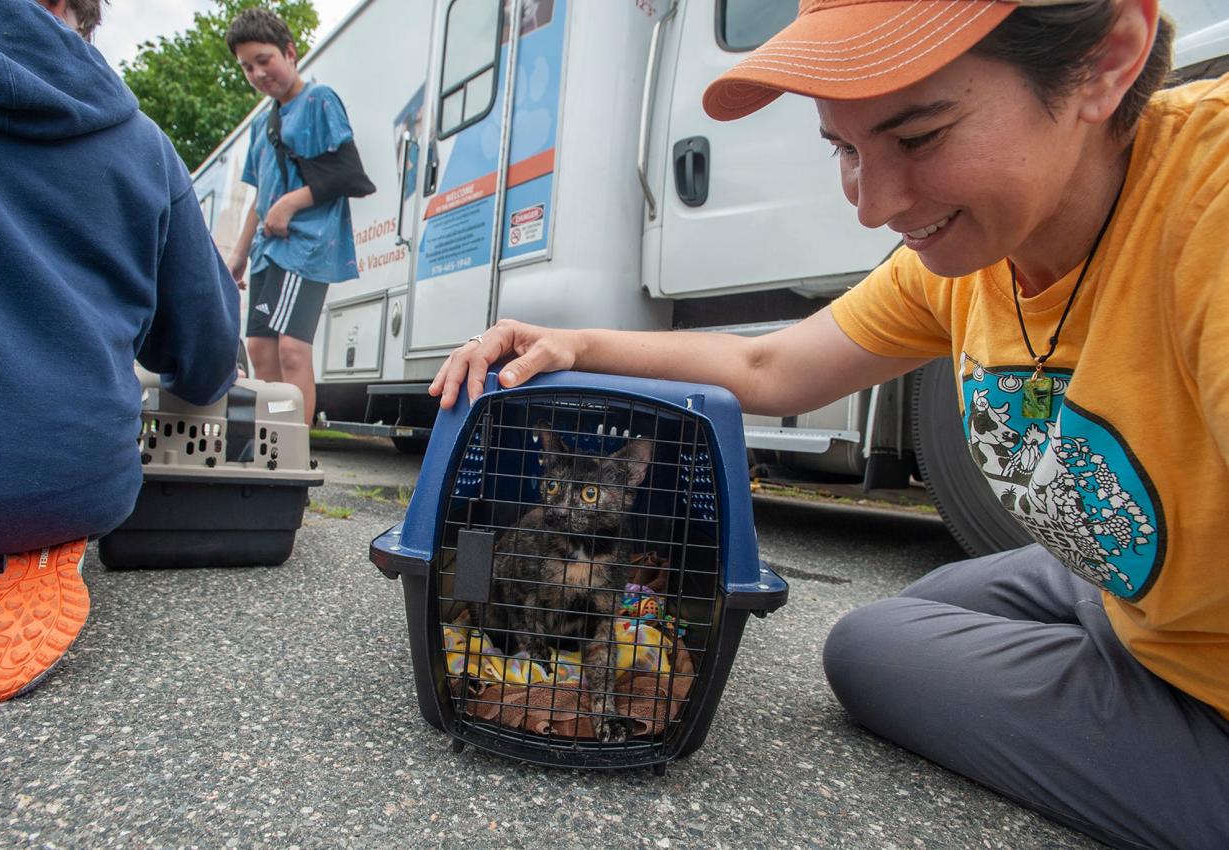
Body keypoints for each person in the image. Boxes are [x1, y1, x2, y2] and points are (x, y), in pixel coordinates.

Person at [429, 0, 1229, 846]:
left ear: (1106, 62)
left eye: (919, 136)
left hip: (1203, 694)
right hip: (1138, 583)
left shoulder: (1205, 205)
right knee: (918, 611)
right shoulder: (968, 264)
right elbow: (769, 368)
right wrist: (571, 340)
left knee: (870, 653)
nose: (874, 205)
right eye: (844, 148)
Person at [0, 0, 240, 702]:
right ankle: (32, 542)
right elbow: (208, 349)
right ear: (69, 9)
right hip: (60, 478)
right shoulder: (142, 143)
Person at [225, 8, 362, 427]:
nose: (257, 73)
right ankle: (272, 436)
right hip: (268, 253)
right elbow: (259, 197)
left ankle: (294, 451)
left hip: (304, 248)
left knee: (291, 349)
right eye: (247, 67)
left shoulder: (319, 101)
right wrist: (239, 255)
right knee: (260, 348)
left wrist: (290, 204)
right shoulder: (262, 124)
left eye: (264, 60)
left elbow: (348, 173)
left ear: (290, 52)